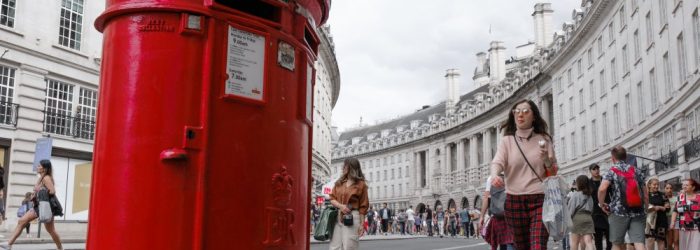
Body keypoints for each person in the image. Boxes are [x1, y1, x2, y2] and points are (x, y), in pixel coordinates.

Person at [490, 99, 558, 250]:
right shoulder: (507, 141)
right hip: (514, 200)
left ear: (533, 116)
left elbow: (552, 173)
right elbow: (497, 162)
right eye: (517, 111)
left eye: (525, 111)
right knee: (521, 247)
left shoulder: (544, 140)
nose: (520, 115)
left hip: (540, 198)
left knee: (538, 245)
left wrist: (546, 159)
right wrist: (495, 175)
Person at [598, 146, 647, 250]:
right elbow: (645, 195)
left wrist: (601, 204)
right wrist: (645, 209)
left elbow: (602, 189)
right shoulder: (637, 170)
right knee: (639, 243)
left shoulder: (611, 171)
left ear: (612, 158)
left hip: (618, 212)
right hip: (638, 211)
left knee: (616, 244)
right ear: (626, 157)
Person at [8, 160, 63, 250]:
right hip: (38, 206)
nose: (37, 167)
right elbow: (39, 190)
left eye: (39, 166)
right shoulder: (41, 178)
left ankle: (60, 248)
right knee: (22, 221)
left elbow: (52, 191)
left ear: (44, 169)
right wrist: (35, 194)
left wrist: (41, 190)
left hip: (45, 207)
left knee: (51, 230)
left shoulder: (46, 178)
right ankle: (9, 244)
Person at [328, 158, 369, 250]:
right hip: (338, 216)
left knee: (349, 246)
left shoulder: (361, 184)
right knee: (334, 247)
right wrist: (341, 206)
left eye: (345, 165)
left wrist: (362, 224)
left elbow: (363, 206)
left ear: (351, 168)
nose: (343, 167)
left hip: (353, 217)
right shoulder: (340, 182)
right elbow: (332, 198)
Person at [480, 175, 514, 250]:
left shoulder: (491, 178)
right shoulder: (512, 172)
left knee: (502, 242)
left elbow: (486, 197)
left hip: (498, 215)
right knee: (512, 241)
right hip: (513, 213)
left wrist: (482, 216)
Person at [670, 178, 700, 250]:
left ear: (693, 187)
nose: (684, 186)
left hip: (696, 228)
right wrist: (672, 222)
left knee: (695, 247)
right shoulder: (680, 198)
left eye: (687, 185)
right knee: (684, 248)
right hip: (683, 228)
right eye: (683, 185)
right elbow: (675, 210)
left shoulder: (698, 198)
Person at [568, 175, 595, 250]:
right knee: (589, 242)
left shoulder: (575, 195)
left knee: (574, 242)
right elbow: (592, 209)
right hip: (588, 218)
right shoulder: (589, 196)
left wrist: (568, 221)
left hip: (577, 218)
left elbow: (571, 210)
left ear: (579, 183)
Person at [589, 164, 612, 250]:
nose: (596, 171)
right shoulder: (589, 182)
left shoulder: (605, 180)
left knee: (610, 238)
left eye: (597, 169)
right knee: (598, 240)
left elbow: (612, 193)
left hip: (606, 211)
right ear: (590, 171)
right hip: (595, 213)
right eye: (594, 169)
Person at [644, 177, 668, 250]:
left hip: (661, 221)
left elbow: (667, 208)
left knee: (661, 241)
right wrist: (656, 208)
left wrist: (659, 208)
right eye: (654, 184)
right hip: (649, 223)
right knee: (650, 241)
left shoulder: (663, 195)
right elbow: (643, 207)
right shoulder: (645, 195)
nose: (656, 186)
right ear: (649, 185)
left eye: (657, 184)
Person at [663, 183, 679, 250]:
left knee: (676, 241)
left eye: (670, 188)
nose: (669, 190)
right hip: (667, 220)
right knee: (669, 243)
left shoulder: (677, 198)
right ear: (664, 189)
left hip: (676, 219)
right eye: (667, 188)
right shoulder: (662, 199)